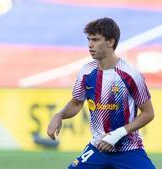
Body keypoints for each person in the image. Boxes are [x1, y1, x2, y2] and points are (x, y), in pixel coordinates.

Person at [47, 17, 155, 169]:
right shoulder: (86, 72)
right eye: (89, 40)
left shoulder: (130, 75)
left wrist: (117, 134)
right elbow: (76, 102)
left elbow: (148, 113)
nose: (90, 45)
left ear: (110, 42)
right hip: (97, 148)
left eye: (96, 40)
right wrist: (59, 115)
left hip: (128, 150)